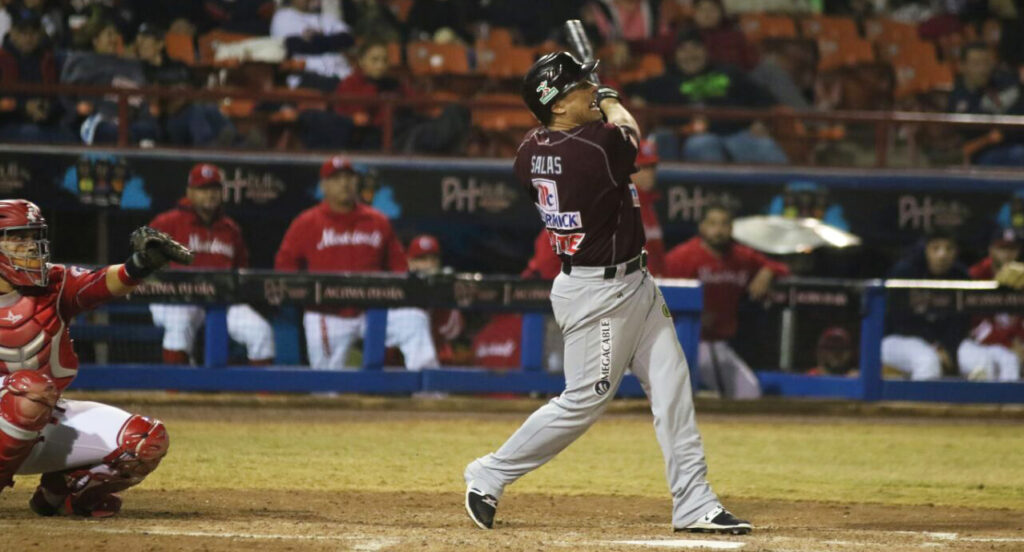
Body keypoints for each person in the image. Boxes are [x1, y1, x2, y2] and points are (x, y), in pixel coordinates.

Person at [463, 51, 751, 534]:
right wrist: (610, 95)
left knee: (672, 389)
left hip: (632, 282)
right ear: (555, 106)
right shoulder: (594, 148)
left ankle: (694, 501)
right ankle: (490, 471)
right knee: (584, 401)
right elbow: (629, 131)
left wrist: (589, 95)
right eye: (578, 87)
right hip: (597, 293)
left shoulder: (528, 150)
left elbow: (573, 141)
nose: (589, 90)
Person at [0, 199, 189, 517]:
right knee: (29, 392)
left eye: (34, 237)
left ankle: (59, 495)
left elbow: (100, 285)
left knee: (145, 440)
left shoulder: (54, 284)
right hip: (21, 405)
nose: (31, 247)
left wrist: (139, 265)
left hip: (40, 413)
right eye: (19, 238)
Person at [275, 156, 438, 370]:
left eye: (348, 177)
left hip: (374, 311)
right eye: (336, 178)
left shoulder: (378, 221)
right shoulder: (306, 223)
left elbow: (399, 269)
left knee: (414, 320)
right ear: (323, 186)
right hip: (327, 312)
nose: (344, 183)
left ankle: (430, 395)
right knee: (327, 387)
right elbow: (284, 267)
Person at [147, 163, 275, 365]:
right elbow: (143, 260)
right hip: (176, 298)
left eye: (214, 189)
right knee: (179, 324)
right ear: (190, 192)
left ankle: (262, 396)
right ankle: (173, 393)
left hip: (221, 300)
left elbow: (242, 267)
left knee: (261, 331)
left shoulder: (230, 229)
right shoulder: (167, 223)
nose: (210, 195)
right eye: (203, 189)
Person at [663, 202, 789, 399]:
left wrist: (767, 271)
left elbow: (781, 267)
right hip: (686, 340)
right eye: (712, 224)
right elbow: (659, 296)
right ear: (702, 227)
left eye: (724, 224)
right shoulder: (682, 257)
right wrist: (688, 318)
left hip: (720, 343)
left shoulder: (740, 255)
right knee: (743, 393)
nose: (719, 230)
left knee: (748, 393)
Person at [626, 29, 787, 164]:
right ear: (675, 55)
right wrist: (638, 100)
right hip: (698, 138)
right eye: (683, 50)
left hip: (739, 133)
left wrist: (760, 122)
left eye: (695, 48)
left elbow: (765, 97)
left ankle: (793, 194)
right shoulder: (666, 81)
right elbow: (633, 92)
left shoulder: (728, 72)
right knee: (703, 146)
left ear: (705, 51)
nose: (690, 55)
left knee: (766, 147)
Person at [882, 229, 970, 380]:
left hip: (942, 343)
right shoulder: (905, 273)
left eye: (949, 248)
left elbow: (960, 322)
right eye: (936, 248)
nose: (942, 255)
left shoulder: (961, 276)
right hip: (897, 339)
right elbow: (901, 322)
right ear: (926, 250)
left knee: (978, 360)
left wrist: (947, 347)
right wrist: (936, 346)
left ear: (956, 252)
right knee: (927, 361)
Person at [959, 227, 1023, 381]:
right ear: (991, 250)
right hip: (978, 344)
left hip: (1013, 342)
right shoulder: (976, 276)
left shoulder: (1022, 277)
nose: (1007, 254)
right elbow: (975, 325)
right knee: (1007, 361)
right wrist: (1009, 342)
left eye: (1012, 249)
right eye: (1001, 249)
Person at [947, 42, 1024, 166]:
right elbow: (977, 137)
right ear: (962, 66)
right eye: (976, 64)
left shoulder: (1002, 83)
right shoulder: (959, 99)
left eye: (986, 63)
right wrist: (993, 137)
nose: (983, 69)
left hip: (1012, 144)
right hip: (983, 156)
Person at [270, 0, 354, 91]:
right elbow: (297, 45)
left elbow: (348, 39)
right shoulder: (283, 17)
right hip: (306, 76)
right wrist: (329, 40)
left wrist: (316, 39)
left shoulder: (326, 17)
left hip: (341, 73)